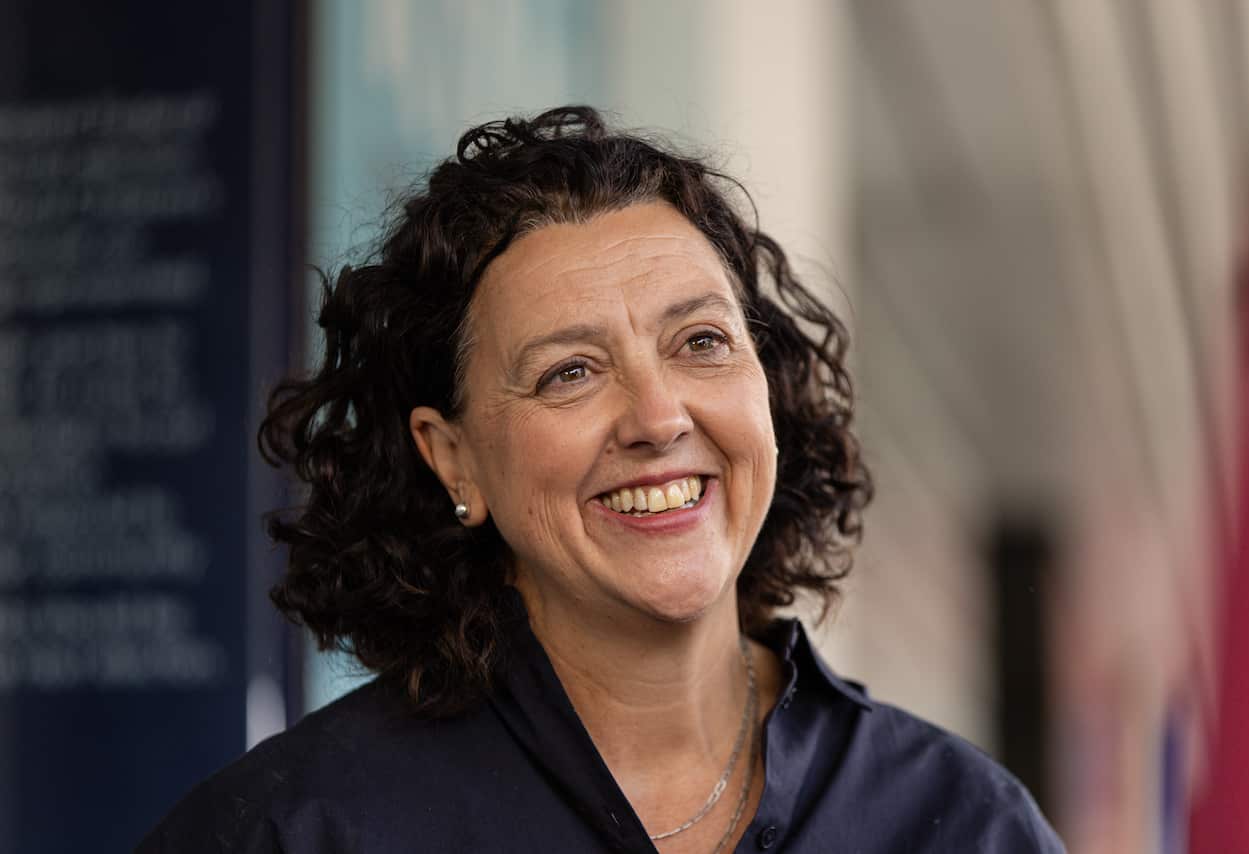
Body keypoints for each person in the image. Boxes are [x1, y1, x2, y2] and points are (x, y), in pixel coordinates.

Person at [139, 106, 1064, 853]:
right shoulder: (292, 833)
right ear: (451, 455)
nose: (659, 418)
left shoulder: (961, 825)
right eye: (569, 372)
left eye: (701, 342)